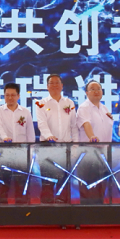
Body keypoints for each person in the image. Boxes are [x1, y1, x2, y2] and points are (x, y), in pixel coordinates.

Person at [35, 74, 77, 204]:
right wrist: (49, 136)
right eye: (51, 83)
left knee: (64, 179)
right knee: (47, 178)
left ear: (62, 85)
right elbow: (41, 123)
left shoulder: (69, 103)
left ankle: (63, 206)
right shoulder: (41, 103)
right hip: (47, 145)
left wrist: (75, 144)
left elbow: (74, 125)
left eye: (57, 82)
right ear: (47, 86)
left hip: (65, 146)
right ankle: (47, 207)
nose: (54, 85)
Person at [0, 83, 36, 204]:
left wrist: (31, 152)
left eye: (13, 95)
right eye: (7, 95)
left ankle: (22, 211)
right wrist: (5, 137)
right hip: (3, 150)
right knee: (3, 183)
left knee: (22, 183)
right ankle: (2, 211)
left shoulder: (25, 112)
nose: (10, 98)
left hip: (21, 151)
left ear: (18, 96)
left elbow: (30, 133)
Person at [76, 80, 115, 204]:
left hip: (104, 152)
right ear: (87, 93)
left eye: (98, 89)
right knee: (88, 184)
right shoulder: (84, 107)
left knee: (101, 184)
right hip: (89, 152)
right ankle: (86, 212)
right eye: (92, 89)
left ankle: (99, 210)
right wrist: (92, 136)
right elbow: (86, 124)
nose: (96, 91)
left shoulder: (104, 108)